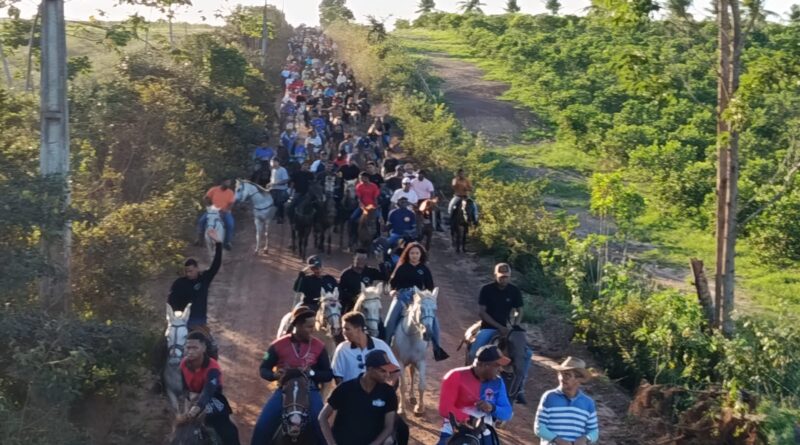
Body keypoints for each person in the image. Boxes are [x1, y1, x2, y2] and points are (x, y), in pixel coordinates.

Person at [251, 307, 333, 445]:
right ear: (297, 325)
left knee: (320, 423)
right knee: (262, 424)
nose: (312, 330)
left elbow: (328, 374)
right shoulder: (277, 345)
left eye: (313, 326)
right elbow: (263, 368)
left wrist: (312, 373)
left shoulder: (319, 347)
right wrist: (274, 375)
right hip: (284, 390)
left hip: (309, 390)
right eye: (309, 326)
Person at [469, 263, 533, 405]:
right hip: (488, 328)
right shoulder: (486, 289)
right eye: (501, 277)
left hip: (507, 329)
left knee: (527, 354)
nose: (504, 279)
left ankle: (520, 388)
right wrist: (498, 327)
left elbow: (520, 310)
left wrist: (515, 324)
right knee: (474, 352)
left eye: (506, 277)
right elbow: (482, 312)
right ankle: (470, 380)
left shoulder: (514, 291)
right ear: (495, 275)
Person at [437, 345, 513, 445]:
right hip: (455, 431)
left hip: (484, 433)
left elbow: (507, 413)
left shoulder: (498, 382)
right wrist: (471, 419)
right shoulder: (455, 376)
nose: (501, 369)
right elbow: (445, 408)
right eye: (497, 365)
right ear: (484, 365)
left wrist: (492, 408)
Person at [384, 242, 448, 361]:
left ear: (421, 255)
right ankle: (385, 348)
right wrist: (392, 291)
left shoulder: (424, 269)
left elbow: (430, 287)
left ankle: (437, 349)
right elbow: (392, 284)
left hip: (419, 298)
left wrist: (427, 297)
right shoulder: (402, 268)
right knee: (390, 321)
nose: (414, 255)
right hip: (402, 297)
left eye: (417, 253)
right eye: (412, 253)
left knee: (434, 321)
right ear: (408, 254)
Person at [320, 350, 399, 445]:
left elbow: (389, 426)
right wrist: (331, 443)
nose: (387, 375)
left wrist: (375, 443)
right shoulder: (345, 389)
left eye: (388, 371)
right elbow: (322, 417)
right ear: (370, 369)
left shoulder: (388, 392)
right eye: (382, 371)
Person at [178, 332, 241, 445]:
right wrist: (187, 399)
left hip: (213, 400)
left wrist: (196, 408)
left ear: (204, 348)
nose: (190, 351)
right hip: (191, 401)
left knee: (229, 433)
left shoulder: (213, 367)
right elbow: (184, 388)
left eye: (195, 348)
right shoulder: (183, 364)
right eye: (188, 347)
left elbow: (208, 391)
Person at [534, 357, 599, 445]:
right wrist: (558, 440)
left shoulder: (588, 403)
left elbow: (594, 432)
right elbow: (539, 428)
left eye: (567, 375)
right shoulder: (549, 397)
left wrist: (585, 439)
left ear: (579, 379)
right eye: (560, 374)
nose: (562, 378)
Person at [331, 312, 398, 384]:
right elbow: (337, 375)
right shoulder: (342, 349)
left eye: (347, 329)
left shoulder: (381, 345)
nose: (343, 332)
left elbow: (395, 371)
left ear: (359, 329)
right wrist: (345, 390)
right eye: (343, 329)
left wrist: (387, 388)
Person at [196, 179, 235, 250]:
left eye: (229, 183)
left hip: (224, 211)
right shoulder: (214, 189)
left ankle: (227, 242)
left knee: (230, 224)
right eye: (226, 182)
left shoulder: (230, 192)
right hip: (213, 211)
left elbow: (231, 203)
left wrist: (226, 210)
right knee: (201, 221)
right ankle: (200, 240)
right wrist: (209, 207)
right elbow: (205, 198)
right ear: (222, 182)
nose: (228, 184)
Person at [269, 158, 290, 224]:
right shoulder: (273, 170)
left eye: (274, 162)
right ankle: (275, 216)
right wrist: (269, 184)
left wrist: (276, 183)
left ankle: (281, 217)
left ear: (278, 162)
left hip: (281, 190)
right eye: (272, 162)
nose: (273, 163)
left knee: (279, 202)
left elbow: (285, 180)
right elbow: (272, 180)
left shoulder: (283, 170)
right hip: (273, 189)